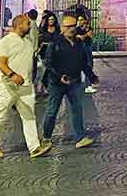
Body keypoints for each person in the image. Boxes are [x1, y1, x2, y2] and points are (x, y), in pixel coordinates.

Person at [0, 14, 52, 159]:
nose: (30, 26)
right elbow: (1, 63)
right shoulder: (5, 41)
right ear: (19, 25)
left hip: (26, 87)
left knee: (29, 116)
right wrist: (12, 75)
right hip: (8, 86)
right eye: (27, 24)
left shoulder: (28, 42)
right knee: (1, 116)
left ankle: (34, 148)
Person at [41, 14, 95, 149]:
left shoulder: (79, 44)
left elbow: (83, 62)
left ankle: (80, 137)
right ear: (63, 28)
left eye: (74, 26)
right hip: (57, 84)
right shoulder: (55, 43)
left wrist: (92, 76)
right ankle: (46, 137)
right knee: (52, 110)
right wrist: (59, 76)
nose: (72, 29)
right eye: (69, 26)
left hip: (74, 82)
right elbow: (49, 63)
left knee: (77, 109)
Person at [74, 13, 100, 94]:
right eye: (78, 20)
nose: (80, 21)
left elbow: (91, 35)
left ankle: (88, 84)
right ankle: (83, 85)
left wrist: (87, 32)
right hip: (80, 50)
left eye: (81, 20)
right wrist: (85, 35)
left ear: (85, 20)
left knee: (89, 66)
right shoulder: (77, 29)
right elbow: (80, 38)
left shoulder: (88, 28)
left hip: (88, 49)